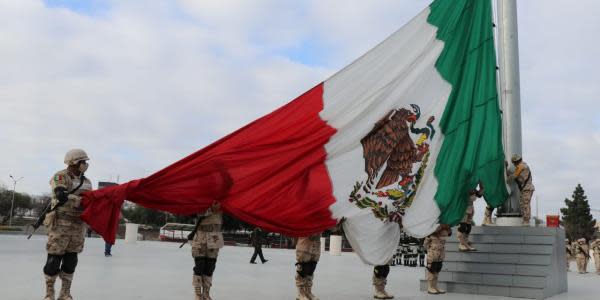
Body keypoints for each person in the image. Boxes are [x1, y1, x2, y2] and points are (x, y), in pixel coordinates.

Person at [42, 149, 93, 300]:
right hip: (60, 224)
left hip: (78, 226)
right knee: (53, 260)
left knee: (71, 260)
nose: (85, 164)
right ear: (73, 162)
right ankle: (49, 293)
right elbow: (60, 194)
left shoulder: (87, 182)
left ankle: (65, 293)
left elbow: (91, 200)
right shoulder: (61, 176)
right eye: (83, 161)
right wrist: (76, 199)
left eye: (86, 162)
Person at [191, 202, 224, 300]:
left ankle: (206, 292)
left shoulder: (223, 199)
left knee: (210, 267)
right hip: (201, 236)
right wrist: (210, 209)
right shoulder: (202, 198)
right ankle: (198, 293)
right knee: (199, 265)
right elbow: (192, 212)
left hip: (215, 237)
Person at [506, 154, 535, 226]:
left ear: (515, 162)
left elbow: (513, 177)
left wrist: (506, 178)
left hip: (527, 189)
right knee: (523, 204)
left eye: (514, 163)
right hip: (526, 189)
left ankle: (526, 221)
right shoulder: (522, 166)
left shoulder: (521, 166)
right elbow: (515, 176)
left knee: (525, 204)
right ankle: (525, 220)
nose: (514, 165)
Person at [424, 224, 451, 295]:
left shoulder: (442, 235)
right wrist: (430, 251)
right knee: (431, 272)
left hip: (440, 256)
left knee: (436, 272)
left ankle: (435, 286)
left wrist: (446, 227)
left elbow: (449, 233)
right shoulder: (430, 235)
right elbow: (425, 245)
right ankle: (430, 287)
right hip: (432, 256)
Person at [295, 233, 321, 300]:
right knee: (303, 269)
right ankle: (300, 293)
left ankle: (308, 292)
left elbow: (332, 228)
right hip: (305, 244)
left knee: (311, 269)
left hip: (316, 245)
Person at [458, 185, 483, 251]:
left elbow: (479, 195)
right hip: (463, 207)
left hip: (470, 207)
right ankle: (461, 243)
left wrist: (482, 187)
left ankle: (465, 241)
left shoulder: (472, 184)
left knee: (468, 226)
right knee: (463, 226)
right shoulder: (462, 184)